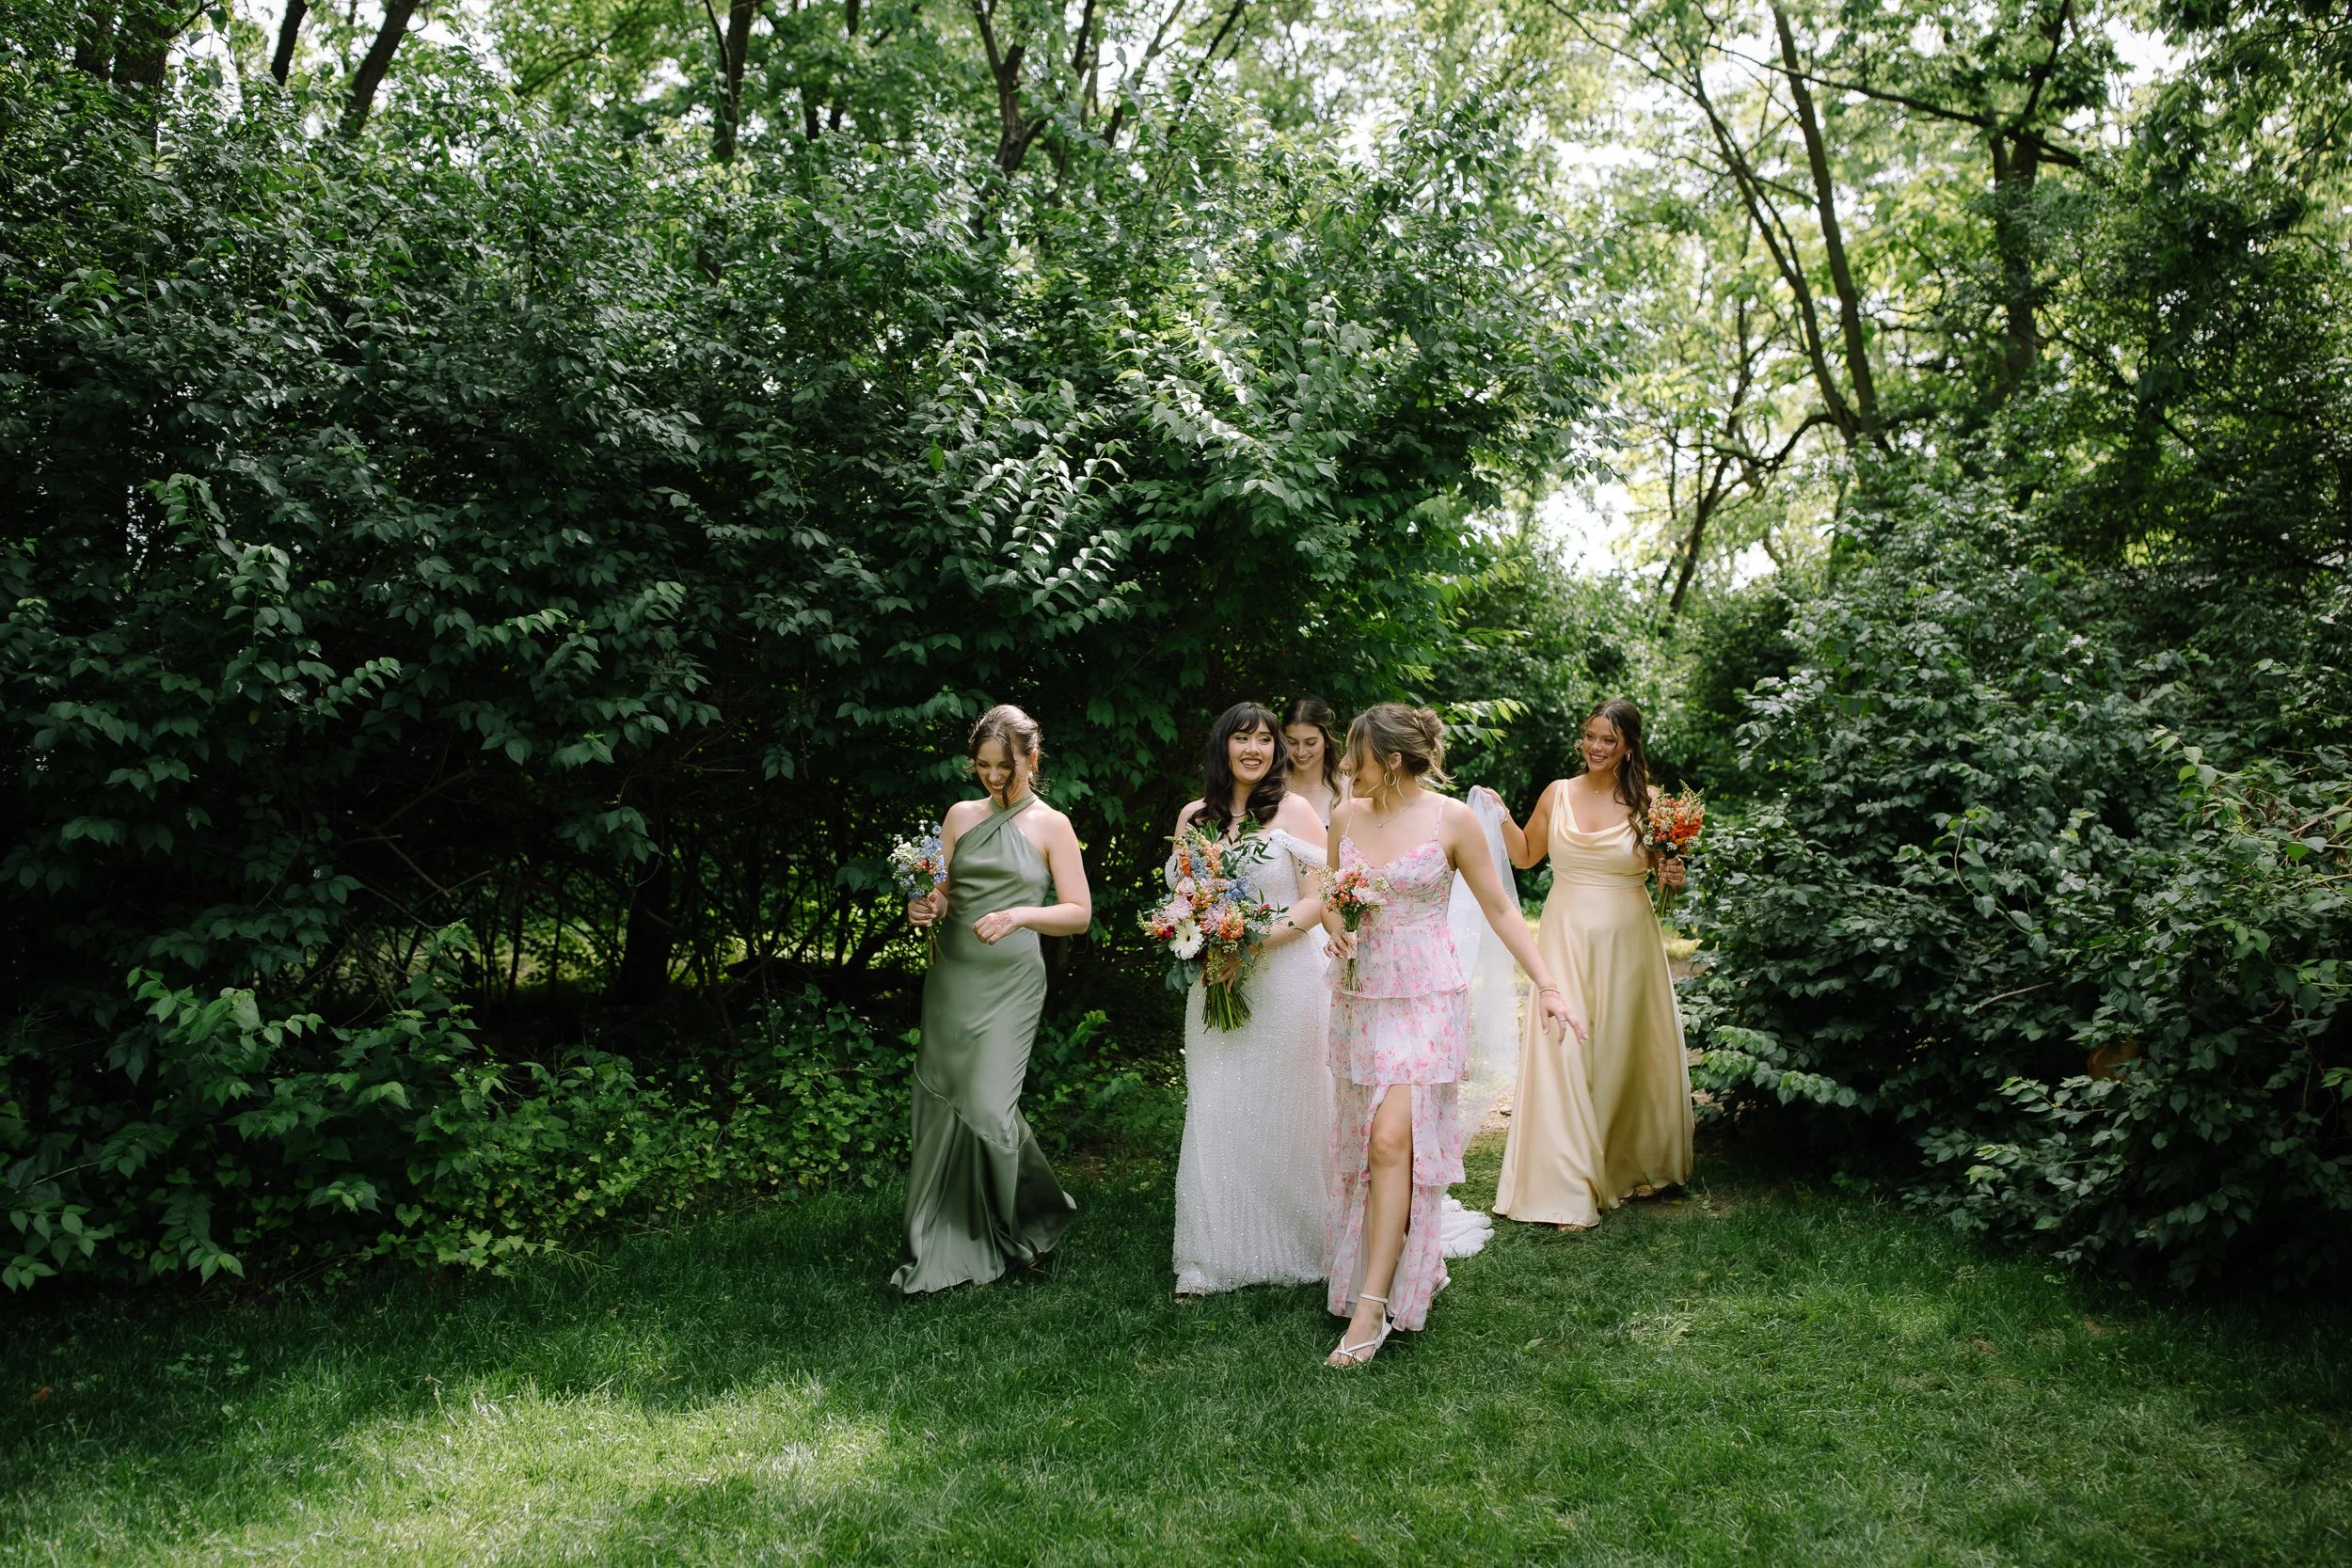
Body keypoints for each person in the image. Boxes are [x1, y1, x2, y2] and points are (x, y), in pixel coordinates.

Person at [1320, 704, 1583, 1366]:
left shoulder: (1452, 820)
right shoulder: (1345, 815)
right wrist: (1334, 922)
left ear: (1396, 760)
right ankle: (1401, 1266)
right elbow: (1331, 892)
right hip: (1360, 993)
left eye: (1358, 755)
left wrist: (1547, 984)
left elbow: (1500, 906)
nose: (1347, 767)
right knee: (1368, 1143)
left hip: (1428, 996)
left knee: (1390, 1139)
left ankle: (1373, 1309)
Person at [898, 705, 1091, 1292]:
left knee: (987, 1104)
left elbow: (1078, 915)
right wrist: (924, 907)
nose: (991, 776)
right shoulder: (959, 816)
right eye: (982, 765)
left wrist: (1019, 916)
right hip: (954, 974)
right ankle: (946, 1231)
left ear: (1032, 760)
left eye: (1003, 766)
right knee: (946, 1096)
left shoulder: (1052, 825)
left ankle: (1029, 1218)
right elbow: (945, 891)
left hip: (1011, 979)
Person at [1481, 699, 1692, 1228]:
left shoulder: (1652, 802)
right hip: (1566, 935)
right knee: (1563, 1049)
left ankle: (1622, 1166)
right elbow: (1527, 855)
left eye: (1608, 740)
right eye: (1590, 736)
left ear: (1628, 746)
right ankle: (1567, 1183)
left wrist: (1673, 874)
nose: (1596, 747)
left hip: (1629, 940)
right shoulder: (1558, 793)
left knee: (1620, 1048)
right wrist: (1502, 815)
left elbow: (1663, 863)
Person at [1168, 704, 1336, 1296]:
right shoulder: (1194, 816)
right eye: (1243, 738)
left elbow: (1318, 901)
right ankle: (1211, 1256)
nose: (1255, 749)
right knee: (1216, 1109)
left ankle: (1300, 1243)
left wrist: (1252, 938)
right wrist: (1205, 938)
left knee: (1289, 1112)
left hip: (1286, 980)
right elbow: (1184, 895)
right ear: (1224, 746)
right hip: (1216, 983)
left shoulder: (1297, 811)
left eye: (1265, 740)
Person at [1280, 697, 1347, 824]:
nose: (1301, 752)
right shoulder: (1272, 786)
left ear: (1327, 740)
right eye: (1292, 742)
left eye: (1311, 743)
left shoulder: (1348, 788)